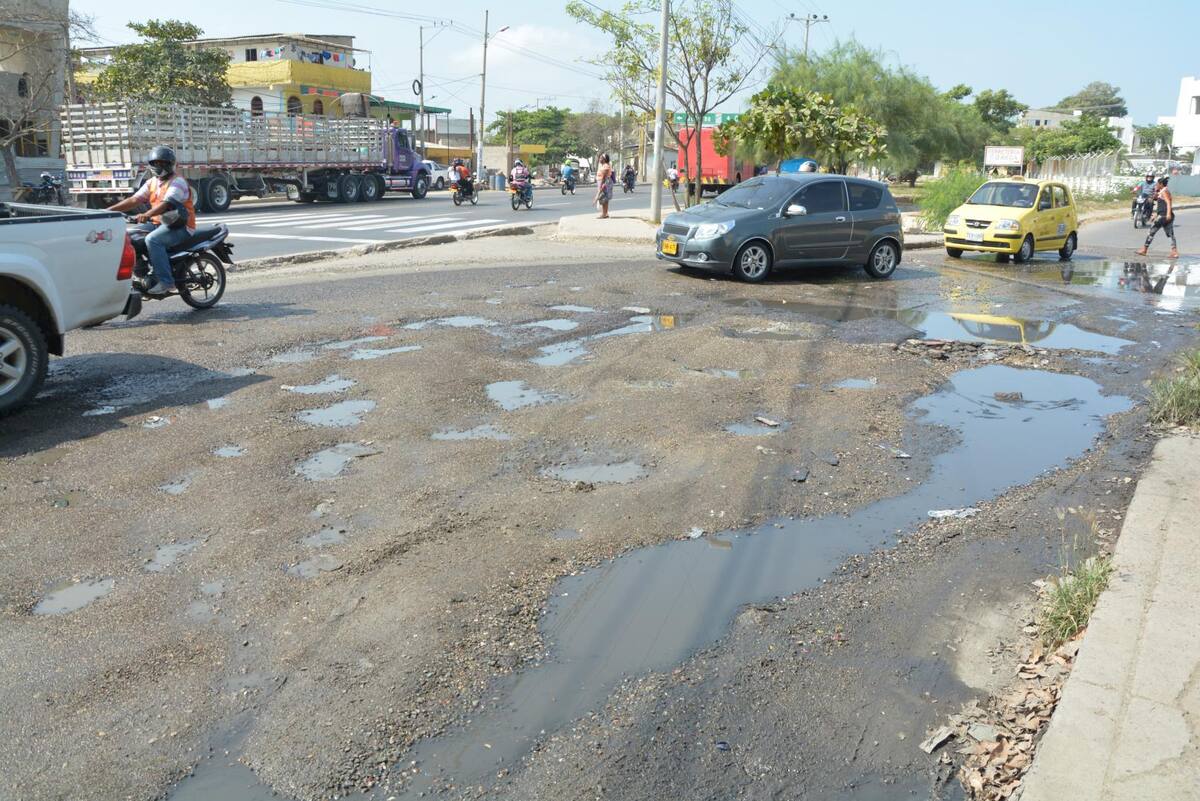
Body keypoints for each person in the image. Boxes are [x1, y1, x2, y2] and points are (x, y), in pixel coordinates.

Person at [106, 145, 195, 295]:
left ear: (170, 164)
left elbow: (166, 203)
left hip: (181, 226)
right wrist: (108, 211)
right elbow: (135, 199)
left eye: (163, 163)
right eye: (155, 163)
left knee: (153, 240)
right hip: (159, 223)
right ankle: (142, 274)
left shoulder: (177, 182)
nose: (159, 166)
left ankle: (167, 282)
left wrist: (146, 214)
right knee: (128, 237)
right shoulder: (152, 182)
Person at [1138, 177, 1179, 258]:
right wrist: (1156, 214)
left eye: (1157, 184)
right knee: (1170, 234)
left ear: (1161, 184)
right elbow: (1161, 205)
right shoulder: (1163, 191)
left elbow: (1168, 202)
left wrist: (1167, 214)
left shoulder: (1164, 192)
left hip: (1163, 216)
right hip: (1165, 215)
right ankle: (1174, 252)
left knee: (1151, 232)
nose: (1156, 185)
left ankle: (1144, 250)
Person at [594, 153, 614, 219]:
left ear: (604, 159)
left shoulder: (606, 166)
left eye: (601, 158)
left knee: (603, 198)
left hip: (604, 182)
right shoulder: (603, 165)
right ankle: (605, 213)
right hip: (602, 182)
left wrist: (601, 187)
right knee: (605, 198)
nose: (600, 159)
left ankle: (604, 214)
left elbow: (604, 177)